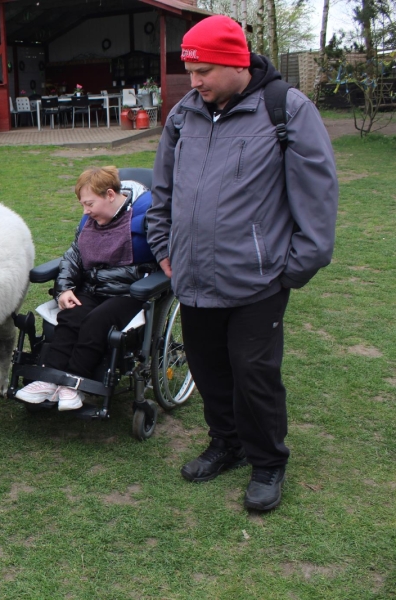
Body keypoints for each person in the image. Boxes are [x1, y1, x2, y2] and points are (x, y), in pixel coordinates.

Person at [146, 15, 338, 511]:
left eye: (205, 70)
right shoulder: (183, 116)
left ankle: (268, 462)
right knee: (209, 370)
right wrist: (164, 246)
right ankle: (225, 444)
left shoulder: (286, 111)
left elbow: (317, 201)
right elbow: (161, 190)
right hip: (192, 276)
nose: (196, 81)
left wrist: (290, 270)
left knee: (253, 373)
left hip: (258, 280)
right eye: (190, 71)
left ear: (235, 63)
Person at [15, 166, 157, 410]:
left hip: (129, 292)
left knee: (96, 321)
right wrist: (64, 289)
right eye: (83, 204)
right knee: (71, 315)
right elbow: (73, 256)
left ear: (110, 195)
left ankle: (74, 384)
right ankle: (49, 379)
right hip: (93, 288)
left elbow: (165, 254)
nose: (85, 211)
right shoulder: (91, 220)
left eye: (89, 203)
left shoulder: (146, 216)